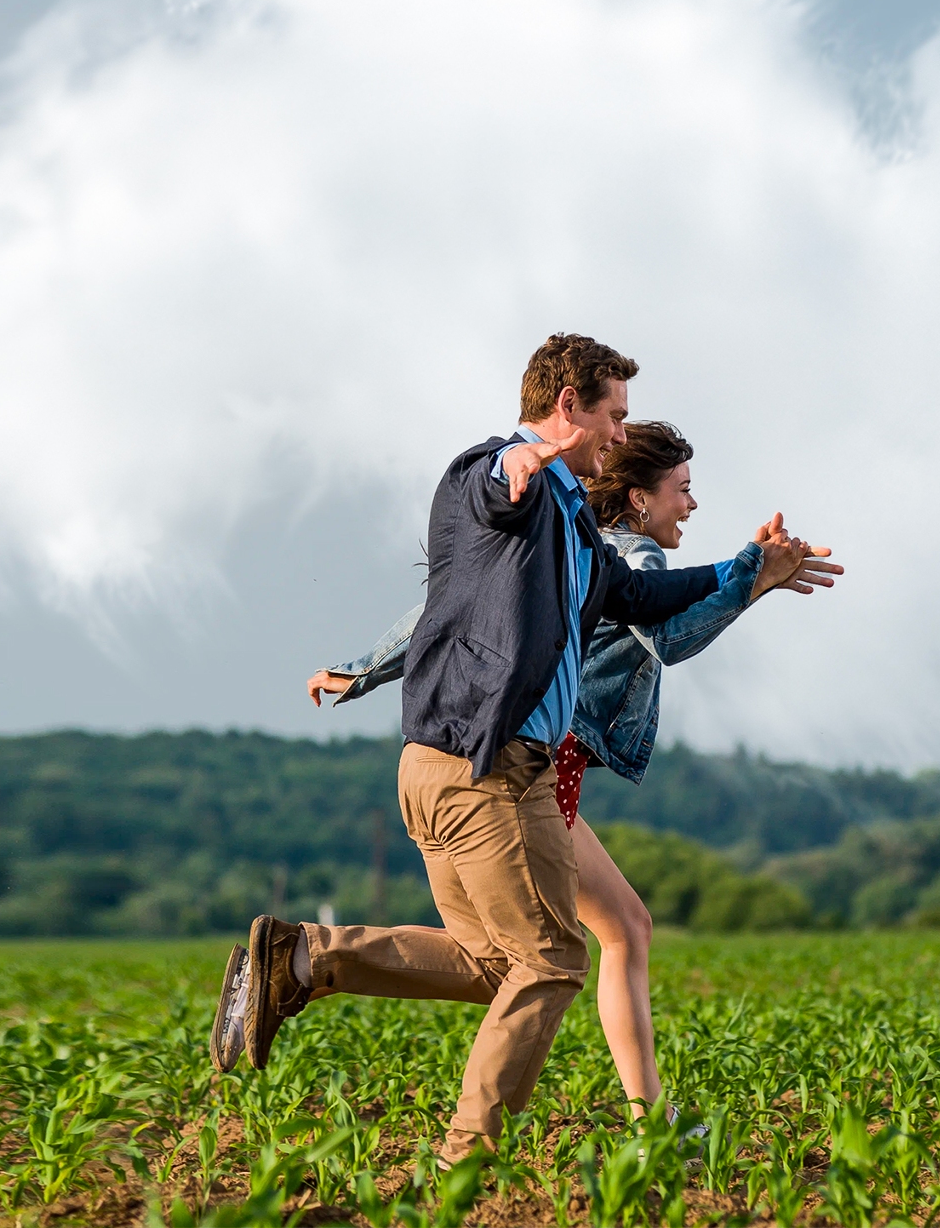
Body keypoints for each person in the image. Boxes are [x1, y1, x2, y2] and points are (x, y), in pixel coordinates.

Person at [208, 334, 823, 1167]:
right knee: (556, 955)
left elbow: (641, 595)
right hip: (485, 770)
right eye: (613, 414)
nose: (618, 432)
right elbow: (490, 495)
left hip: (461, 769)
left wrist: (752, 569)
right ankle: (468, 1162)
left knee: (495, 961)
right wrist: (516, 471)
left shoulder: (574, 519)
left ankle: (305, 956)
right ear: (569, 404)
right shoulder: (492, 473)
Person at [299, 420, 839, 1119]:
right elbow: (669, 638)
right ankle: (621, 1119)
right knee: (555, 953)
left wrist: (360, 668)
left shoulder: (567, 542)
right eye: (684, 490)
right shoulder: (634, 556)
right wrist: (751, 582)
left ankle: (312, 958)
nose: (693, 505)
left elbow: (442, 609)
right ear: (641, 498)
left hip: (516, 764)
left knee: (572, 940)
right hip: (533, 770)